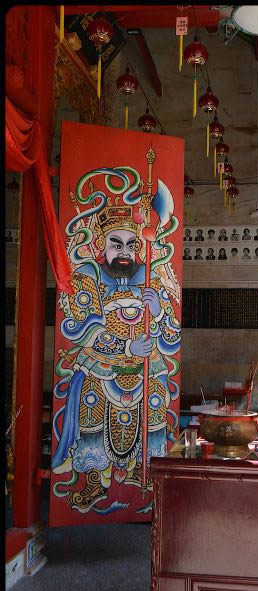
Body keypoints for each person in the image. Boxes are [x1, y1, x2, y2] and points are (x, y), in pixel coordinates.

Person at [51, 203, 180, 510]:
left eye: (131, 245)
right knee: (91, 402)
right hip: (101, 364)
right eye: (116, 244)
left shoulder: (151, 278)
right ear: (101, 243)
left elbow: (171, 334)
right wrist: (126, 347)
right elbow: (85, 328)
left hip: (146, 364)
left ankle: (143, 471)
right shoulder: (87, 277)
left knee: (155, 401)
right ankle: (94, 480)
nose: (124, 252)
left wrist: (158, 311)